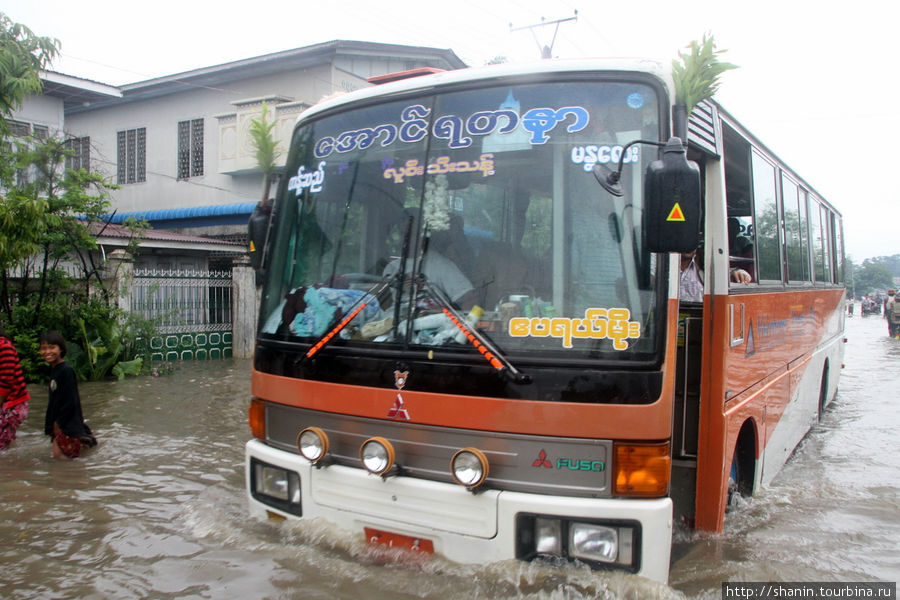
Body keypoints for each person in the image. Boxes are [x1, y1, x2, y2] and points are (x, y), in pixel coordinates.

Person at [40, 331, 96, 459]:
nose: (47, 351)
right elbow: (55, 400)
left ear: (61, 349)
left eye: (52, 347)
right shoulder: (55, 370)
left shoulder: (66, 370)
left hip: (66, 425)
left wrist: (58, 423)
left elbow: (70, 400)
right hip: (62, 425)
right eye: (43, 348)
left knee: (63, 460)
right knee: (61, 459)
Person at [0, 329, 30, 451]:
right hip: (8, 404)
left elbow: (6, 379)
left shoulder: (4, 346)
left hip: (12, 404)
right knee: (6, 441)